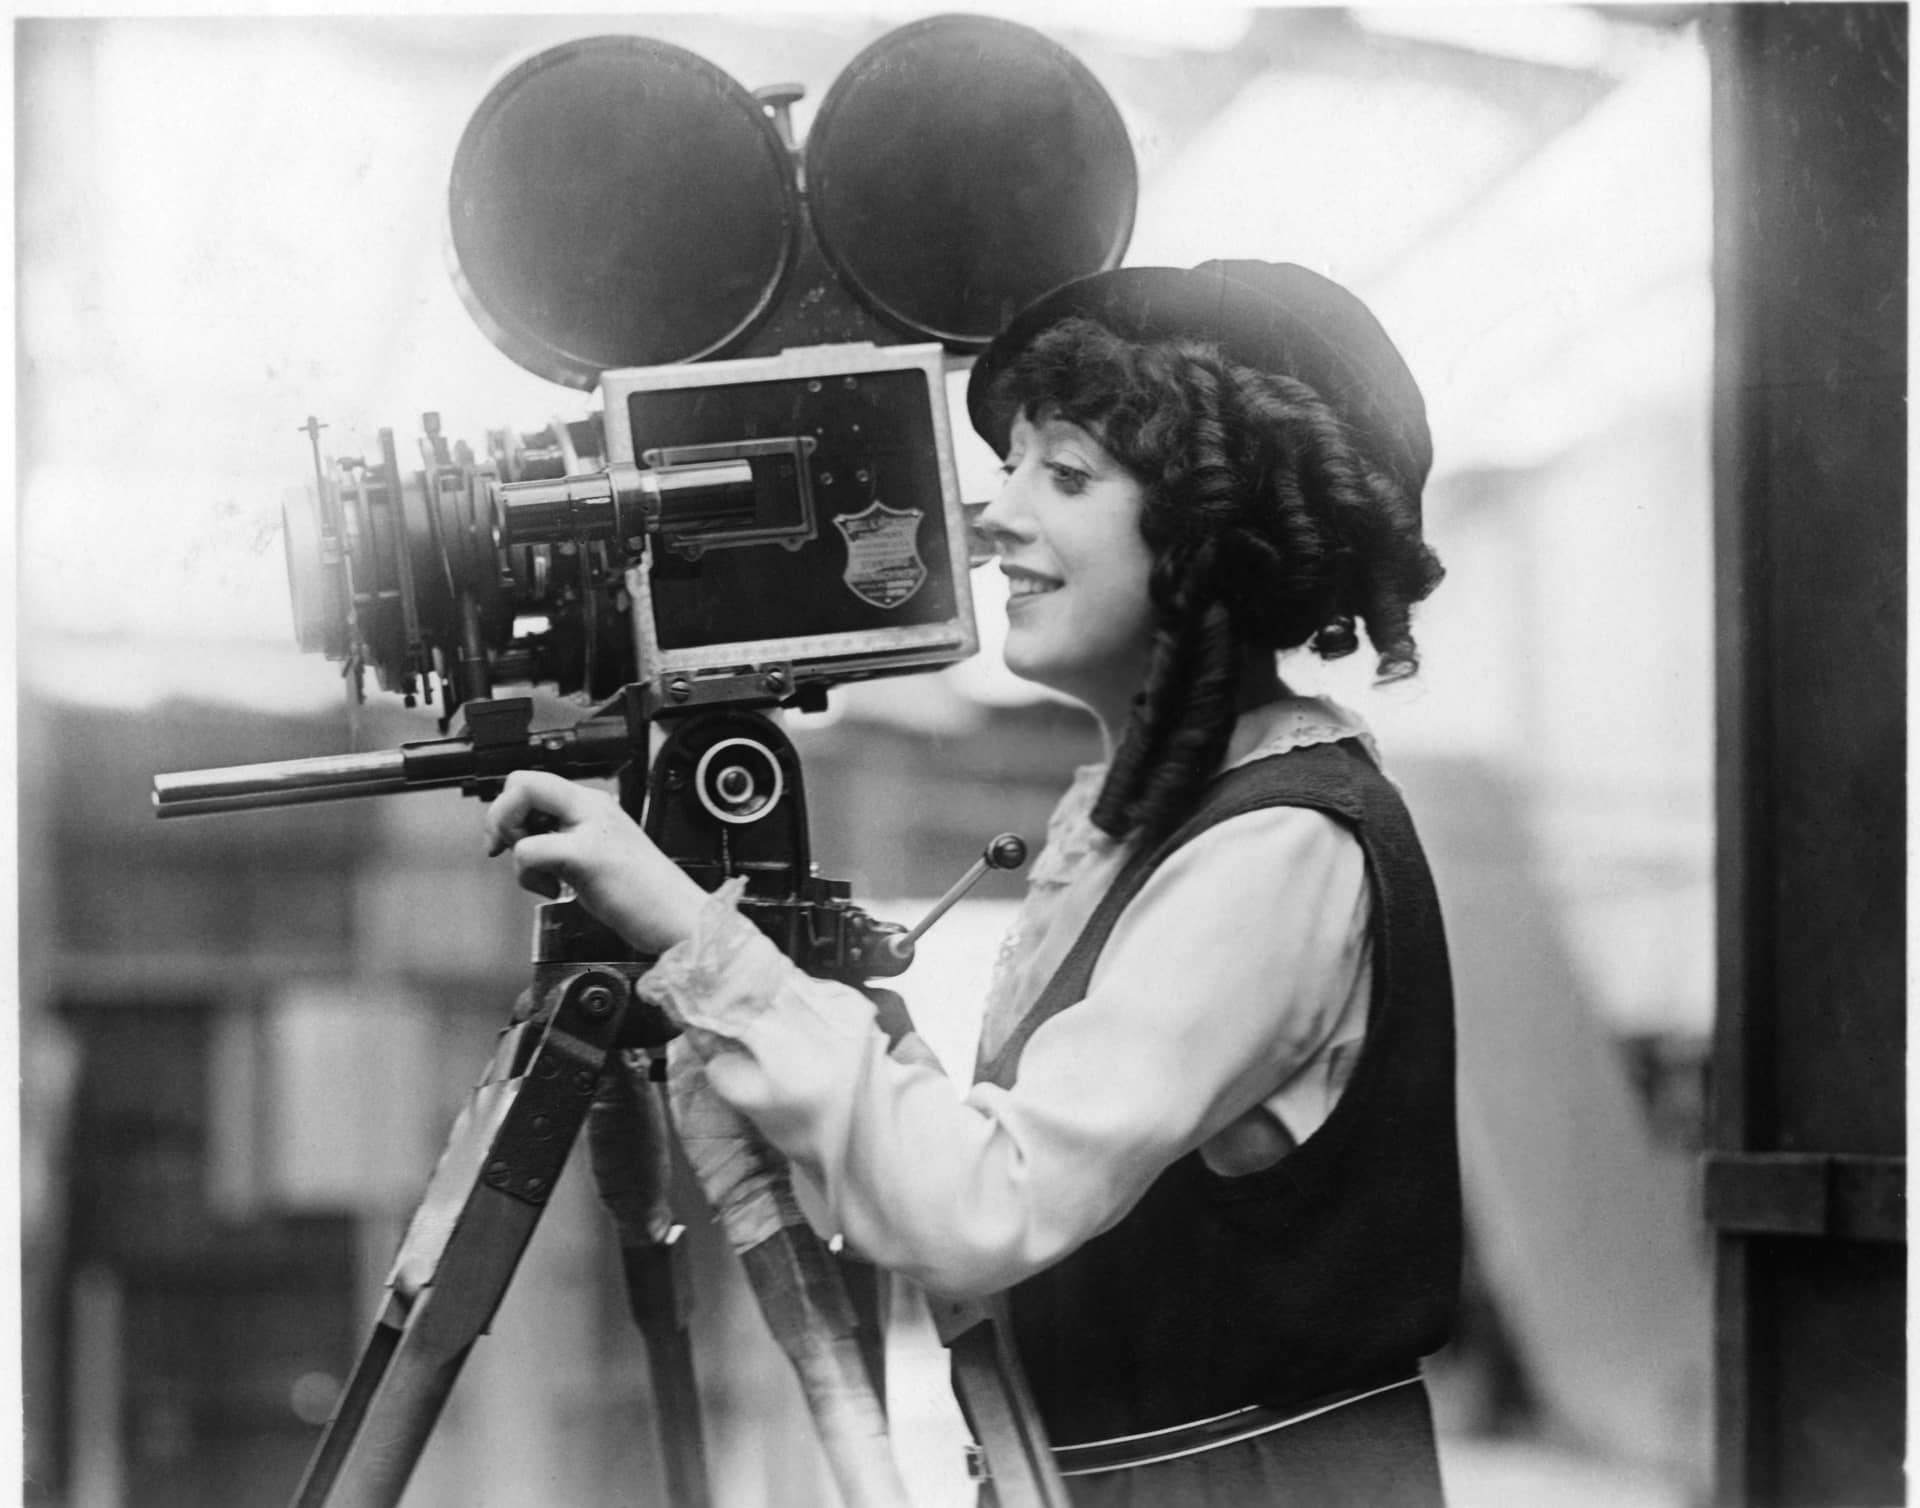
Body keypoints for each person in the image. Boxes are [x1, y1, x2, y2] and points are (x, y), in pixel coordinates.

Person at [484, 260, 1460, 1507]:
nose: (993, 517)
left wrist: (684, 924)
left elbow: (976, 1208)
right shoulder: (1154, 811)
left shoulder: (1280, 845)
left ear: (1213, 535)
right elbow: (1003, 1184)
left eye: (1064, 474)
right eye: (1010, 468)